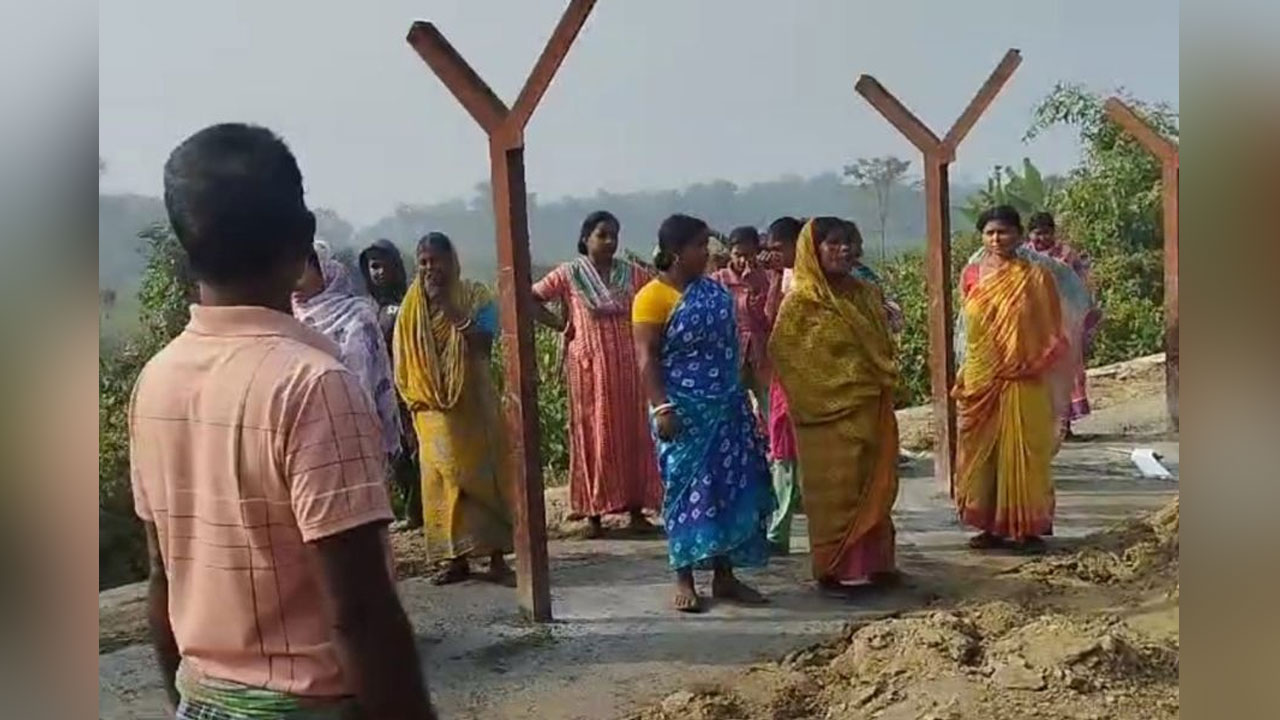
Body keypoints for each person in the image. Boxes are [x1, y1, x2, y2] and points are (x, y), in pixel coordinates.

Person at [129, 123, 436, 719]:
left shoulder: (156, 381)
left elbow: (162, 577)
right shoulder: (314, 385)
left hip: (201, 701)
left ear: (186, 249)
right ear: (302, 236)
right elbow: (360, 613)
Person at [632, 213, 774, 613]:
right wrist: (662, 407)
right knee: (685, 489)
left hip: (726, 406)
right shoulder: (651, 298)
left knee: (727, 489)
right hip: (682, 409)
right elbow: (647, 358)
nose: (707, 252)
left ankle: (725, 576)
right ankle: (684, 577)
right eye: (699, 246)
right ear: (676, 253)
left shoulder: (713, 291)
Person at [770, 218, 902, 593]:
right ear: (813, 251)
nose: (843, 250)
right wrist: (846, 384)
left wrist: (873, 378)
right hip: (825, 418)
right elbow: (790, 359)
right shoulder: (801, 303)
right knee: (837, 494)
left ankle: (878, 564)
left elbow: (882, 343)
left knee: (875, 487)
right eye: (833, 243)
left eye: (848, 242)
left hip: (872, 407)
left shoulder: (866, 293)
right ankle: (834, 568)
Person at [954, 206, 1090, 553]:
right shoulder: (971, 274)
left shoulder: (1037, 277)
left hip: (1025, 374)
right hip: (982, 377)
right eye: (989, 233)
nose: (996, 239)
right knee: (981, 454)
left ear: (1018, 235)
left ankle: (1026, 527)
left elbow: (1052, 330)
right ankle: (988, 526)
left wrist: (1031, 361)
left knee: (1026, 452)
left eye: (1003, 232)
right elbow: (967, 327)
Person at [394, 232, 515, 585]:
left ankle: (496, 556)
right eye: (423, 262)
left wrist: (449, 307)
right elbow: (403, 359)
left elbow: (483, 344)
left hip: (474, 403)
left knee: (484, 479)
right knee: (442, 485)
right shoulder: (410, 308)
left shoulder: (477, 296)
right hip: (430, 410)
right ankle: (454, 559)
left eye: (436, 260)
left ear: (452, 261)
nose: (430, 268)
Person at [532, 211, 663, 538]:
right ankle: (592, 513)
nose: (610, 242)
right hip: (590, 369)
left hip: (629, 369)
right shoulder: (569, 274)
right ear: (585, 238)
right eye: (602, 235)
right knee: (592, 433)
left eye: (614, 236)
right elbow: (530, 298)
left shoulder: (631, 274)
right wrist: (562, 326)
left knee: (633, 433)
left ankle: (635, 509)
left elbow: (658, 295)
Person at [293, 241, 401, 459]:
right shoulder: (290, 319)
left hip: (358, 435)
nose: (293, 280)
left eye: (300, 269)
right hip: (307, 443)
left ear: (324, 272)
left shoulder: (357, 317)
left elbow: (367, 380)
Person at [359, 239, 422, 530]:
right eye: (373, 267)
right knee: (394, 453)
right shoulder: (370, 309)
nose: (379, 272)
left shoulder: (406, 307)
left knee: (413, 450)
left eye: (384, 266)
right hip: (382, 394)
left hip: (407, 390)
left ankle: (416, 511)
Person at [1027, 211, 1102, 439]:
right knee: (1038, 373)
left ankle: (1064, 426)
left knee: (1066, 372)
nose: (1041, 238)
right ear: (1029, 235)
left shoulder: (1066, 255)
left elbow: (1081, 285)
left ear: (1053, 233)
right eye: (1037, 234)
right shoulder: (1023, 255)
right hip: (1034, 323)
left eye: (1046, 233)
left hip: (1065, 321)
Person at [759, 216, 804, 554]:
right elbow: (770, 317)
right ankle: (778, 532)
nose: (775, 254)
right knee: (784, 454)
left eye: (780, 248)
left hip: (812, 376)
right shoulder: (785, 276)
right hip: (785, 375)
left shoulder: (815, 278)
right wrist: (774, 277)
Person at [712, 226, 774, 428]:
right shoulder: (718, 280)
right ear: (730, 253)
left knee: (769, 404)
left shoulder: (767, 278)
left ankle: (774, 443)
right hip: (730, 350)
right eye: (738, 255)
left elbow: (767, 316)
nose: (742, 261)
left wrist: (756, 286)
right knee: (729, 406)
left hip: (761, 350)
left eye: (748, 255)